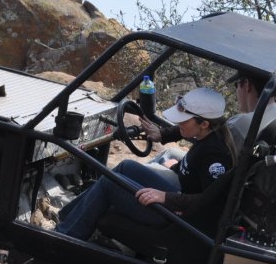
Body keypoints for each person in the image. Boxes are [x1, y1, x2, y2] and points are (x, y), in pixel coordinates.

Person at [56, 87, 235, 241]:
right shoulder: (207, 131)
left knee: (110, 182)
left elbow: (212, 203)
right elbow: (182, 130)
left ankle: (65, 237)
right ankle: (66, 218)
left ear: (204, 123)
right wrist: (162, 134)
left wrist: (166, 197)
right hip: (179, 202)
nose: (179, 123)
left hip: (182, 219)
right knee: (126, 166)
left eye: (184, 120)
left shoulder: (215, 155)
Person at [143, 71, 276, 154]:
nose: (237, 92)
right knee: (171, 152)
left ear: (246, 85)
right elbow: (208, 126)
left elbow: (207, 136)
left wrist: (174, 167)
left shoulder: (240, 125)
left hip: (200, 193)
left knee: (127, 167)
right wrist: (163, 134)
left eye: (237, 85)